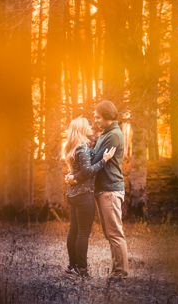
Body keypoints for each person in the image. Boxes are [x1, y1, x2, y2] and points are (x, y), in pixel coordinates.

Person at [68, 100, 128, 278]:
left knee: (115, 233)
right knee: (110, 233)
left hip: (110, 189)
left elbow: (93, 162)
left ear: (108, 117)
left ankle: (120, 272)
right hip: (102, 189)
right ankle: (117, 270)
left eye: (98, 117)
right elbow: (92, 161)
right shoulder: (105, 134)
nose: (95, 120)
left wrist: (75, 178)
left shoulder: (114, 135)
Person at [62, 117, 115, 277]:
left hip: (72, 194)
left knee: (74, 231)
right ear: (82, 129)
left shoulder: (72, 148)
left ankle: (72, 266)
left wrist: (72, 177)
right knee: (83, 233)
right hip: (83, 195)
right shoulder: (82, 148)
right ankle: (82, 268)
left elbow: (78, 170)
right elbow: (87, 171)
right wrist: (104, 160)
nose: (91, 126)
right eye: (88, 125)